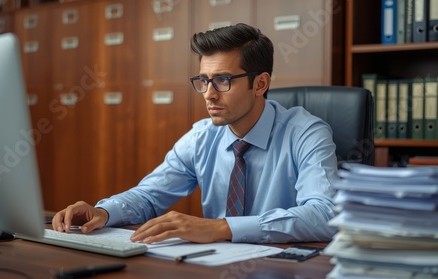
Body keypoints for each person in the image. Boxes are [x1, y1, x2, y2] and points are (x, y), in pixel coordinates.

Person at [53, 23, 339, 244]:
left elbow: (325, 214)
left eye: (223, 80)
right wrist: (104, 212)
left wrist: (221, 227)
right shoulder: (201, 137)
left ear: (260, 84)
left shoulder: (306, 134)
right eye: (204, 81)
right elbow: (150, 196)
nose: (209, 95)